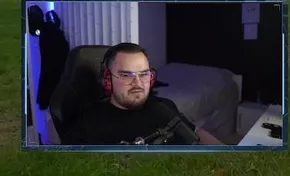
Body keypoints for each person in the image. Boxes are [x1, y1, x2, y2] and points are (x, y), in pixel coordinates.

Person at [61, 42, 225, 146]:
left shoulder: (163, 106)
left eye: (144, 74)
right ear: (108, 80)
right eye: (127, 75)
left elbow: (195, 132)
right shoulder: (87, 127)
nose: (138, 83)